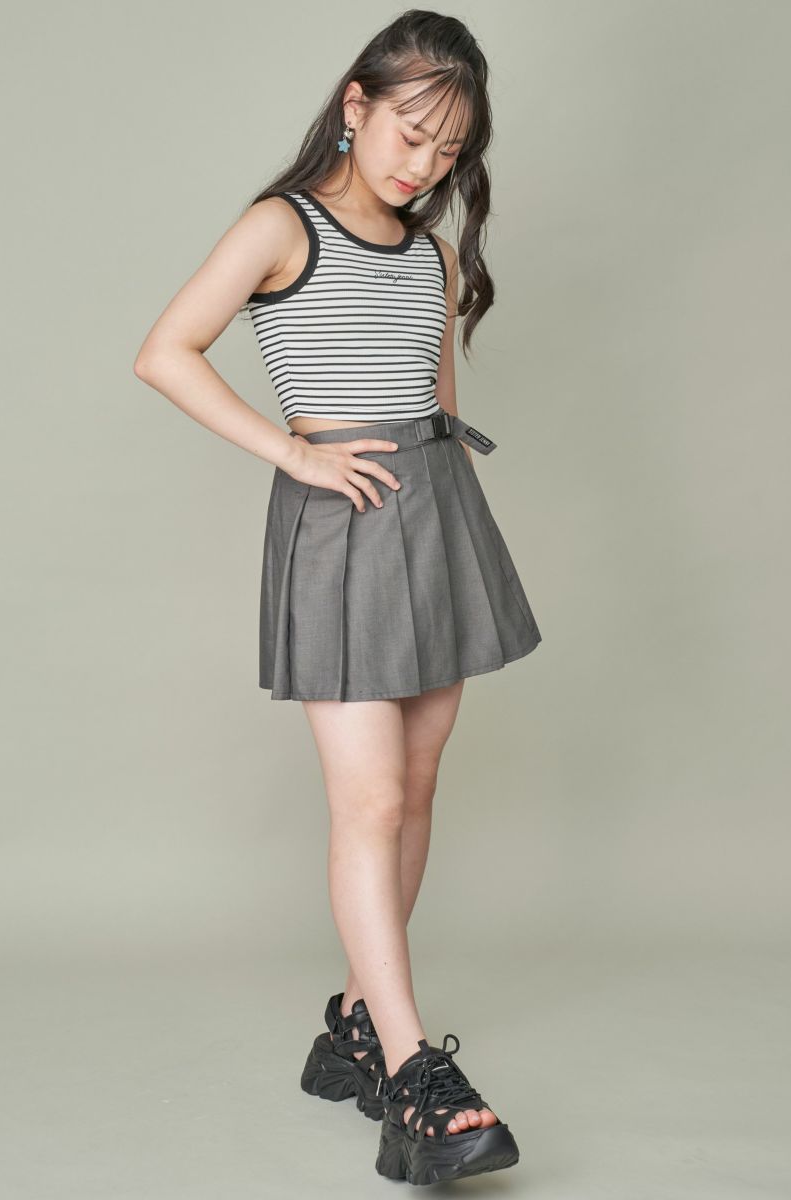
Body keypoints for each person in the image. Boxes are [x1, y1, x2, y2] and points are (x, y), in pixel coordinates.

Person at [133, 10, 540, 1186]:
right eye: (412, 132)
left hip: (438, 514)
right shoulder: (281, 225)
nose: (424, 164)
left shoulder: (433, 256)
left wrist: (445, 505)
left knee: (416, 786)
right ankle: (414, 1076)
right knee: (369, 798)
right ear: (356, 106)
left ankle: (359, 1023)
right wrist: (293, 452)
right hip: (343, 521)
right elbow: (166, 351)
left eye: (449, 150)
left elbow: (436, 399)